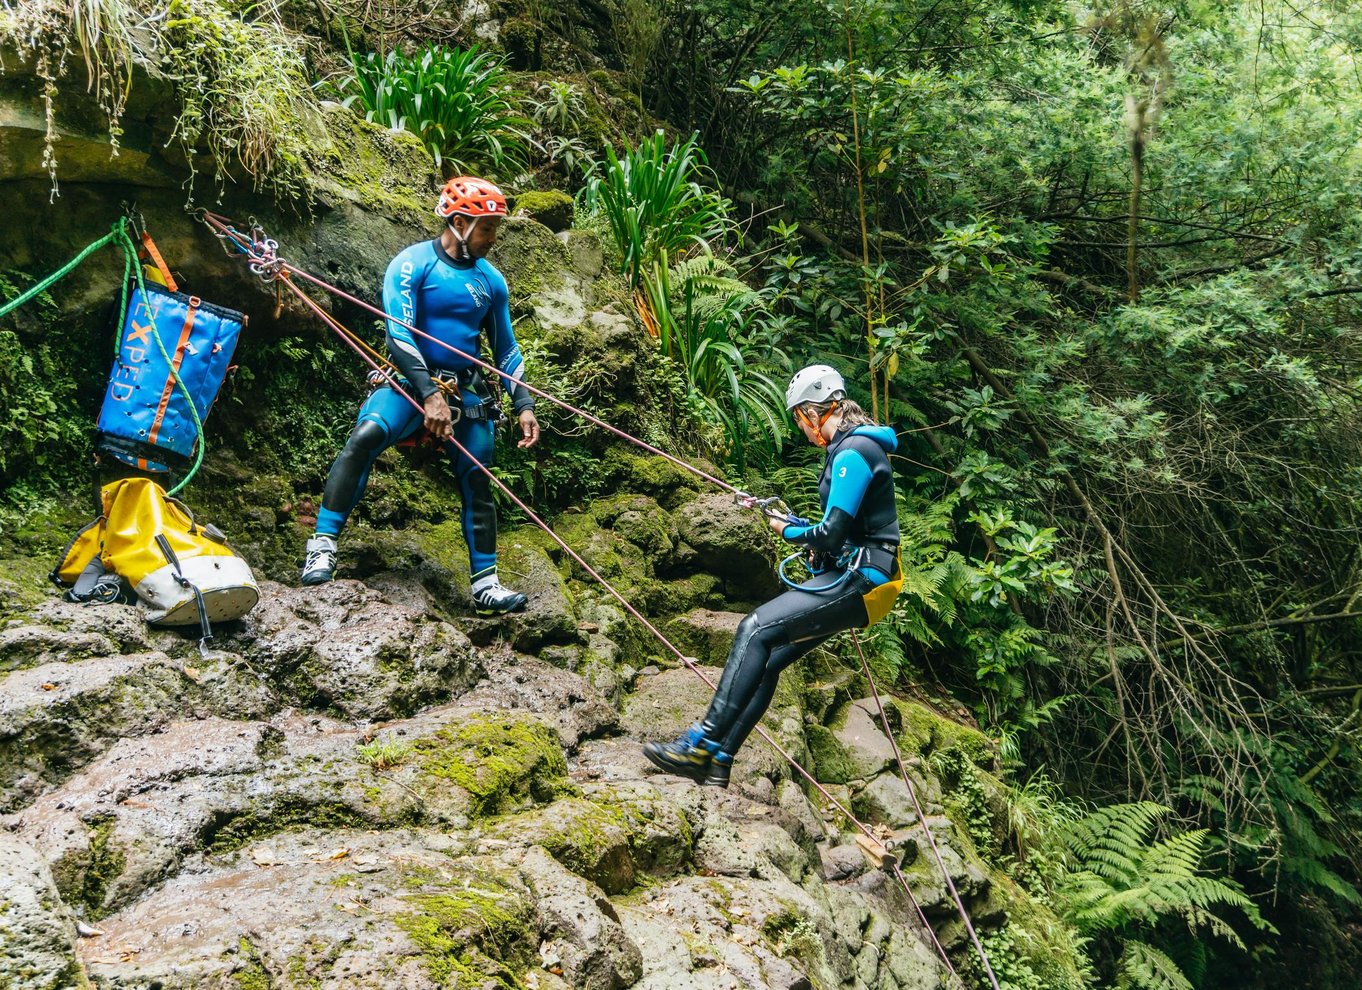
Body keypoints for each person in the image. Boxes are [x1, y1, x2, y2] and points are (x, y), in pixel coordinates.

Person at [643, 365, 903, 787]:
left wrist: (788, 530)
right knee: (768, 659)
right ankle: (718, 763)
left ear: (813, 411)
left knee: (753, 629)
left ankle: (699, 747)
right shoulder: (852, 449)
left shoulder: (853, 452)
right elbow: (843, 529)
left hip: (861, 579)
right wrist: (785, 518)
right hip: (859, 574)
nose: (801, 428)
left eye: (799, 419)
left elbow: (831, 531)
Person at [301, 176, 540, 614]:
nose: (492, 238)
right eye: (487, 228)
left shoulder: (492, 282)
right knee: (365, 437)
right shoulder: (413, 264)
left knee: (477, 475)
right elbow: (399, 334)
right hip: (413, 381)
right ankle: (322, 545)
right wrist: (429, 394)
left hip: (467, 390)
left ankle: (486, 584)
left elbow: (506, 349)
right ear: (460, 222)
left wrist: (523, 403)